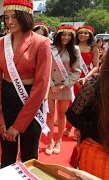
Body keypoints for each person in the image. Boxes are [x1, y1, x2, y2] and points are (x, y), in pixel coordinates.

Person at [0, 0, 51, 168]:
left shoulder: (41, 42)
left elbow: (41, 86)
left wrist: (18, 126)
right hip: (7, 98)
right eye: (7, 17)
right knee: (7, 156)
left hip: (31, 100)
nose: (10, 22)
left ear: (26, 17)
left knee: (29, 155)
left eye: (15, 17)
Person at [66, 49, 109, 180]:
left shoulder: (96, 82)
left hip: (96, 148)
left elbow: (73, 114)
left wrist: (93, 132)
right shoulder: (97, 83)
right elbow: (72, 114)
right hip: (97, 148)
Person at [45, 25, 82, 155]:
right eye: (63, 34)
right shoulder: (51, 48)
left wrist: (63, 85)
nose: (65, 37)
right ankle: (50, 141)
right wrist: (50, 84)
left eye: (69, 35)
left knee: (61, 115)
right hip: (49, 86)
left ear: (72, 37)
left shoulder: (75, 49)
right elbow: (44, 68)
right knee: (49, 115)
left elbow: (77, 71)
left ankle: (59, 140)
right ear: (58, 35)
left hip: (65, 87)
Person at [64, 25, 99, 139]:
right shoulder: (72, 47)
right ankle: (68, 126)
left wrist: (87, 77)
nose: (83, 35)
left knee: (83, 104)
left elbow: (96, 66)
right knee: (71, 102)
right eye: (80, 32)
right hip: (73, 77)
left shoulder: (94, 48)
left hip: (86, 79)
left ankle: (78, 129)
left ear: (90, 35)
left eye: (86, 33)